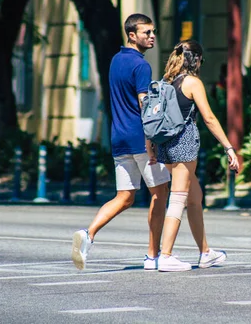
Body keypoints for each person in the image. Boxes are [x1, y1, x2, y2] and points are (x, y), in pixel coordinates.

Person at [71, 14, 170, 270]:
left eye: (153, 31)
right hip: (141, 138)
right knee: (160, 193)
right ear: (132, 35)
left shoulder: (115, 60)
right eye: (146, 32)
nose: (152, 36)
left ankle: (88, 235)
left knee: (125, 197)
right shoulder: (141, 65)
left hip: (119, 138)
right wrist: (152, 140)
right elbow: (144, 103)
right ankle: (152, 255)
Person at [156, 39, 240, 272]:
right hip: (183, 143)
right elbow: (209, 118)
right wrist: (229, 147)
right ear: (197, 59)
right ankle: (166, 255)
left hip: (165, 144)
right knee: (179, 198)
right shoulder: (192, 82)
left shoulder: (167, 81)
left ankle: (205, 253)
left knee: (195, 196)